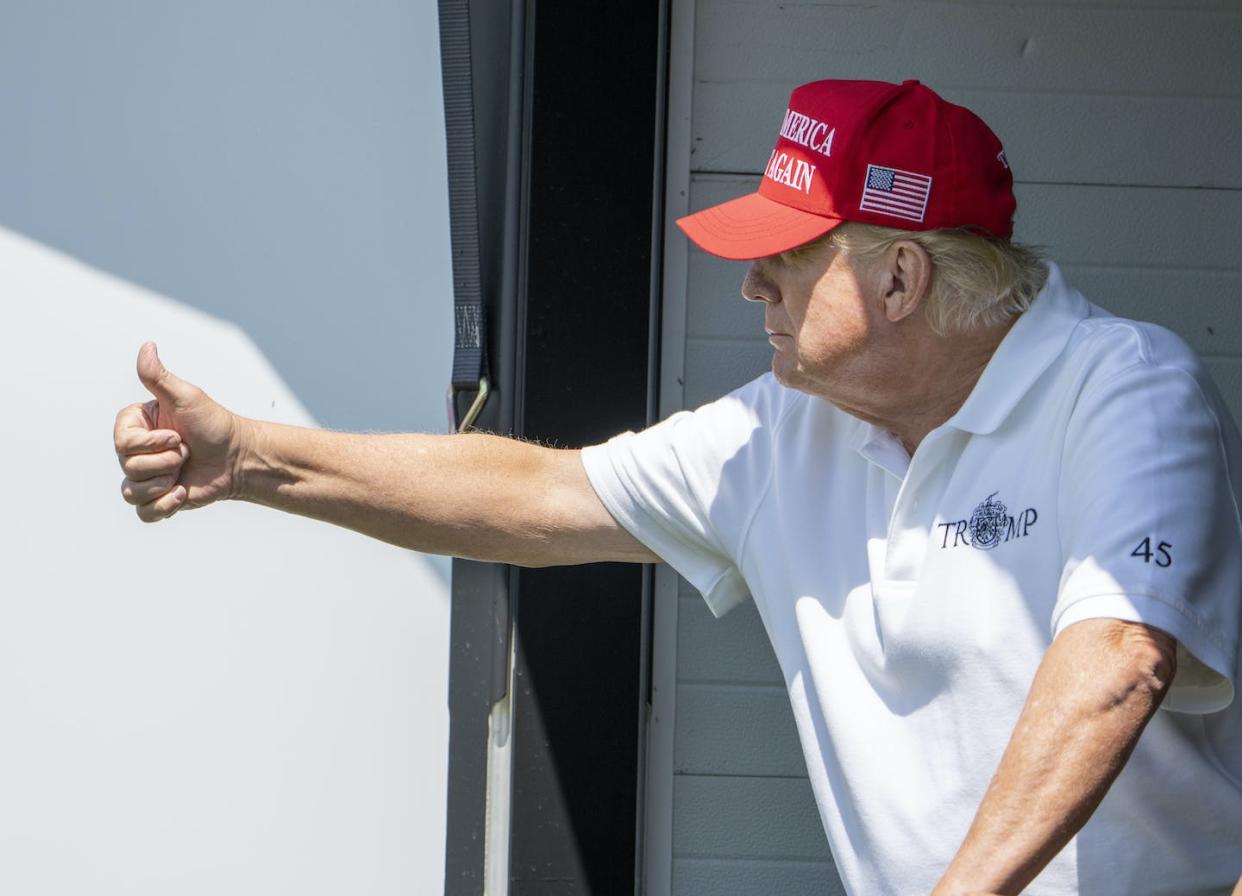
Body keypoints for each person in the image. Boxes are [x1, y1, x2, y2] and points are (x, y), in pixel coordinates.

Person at [114, 79, 1241, 895]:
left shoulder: (1123, 386)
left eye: (789, 258)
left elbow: (1116, 660)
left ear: (900, 275)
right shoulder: (784, 426)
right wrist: (250, 457)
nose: (752, 283)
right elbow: (531, 495)